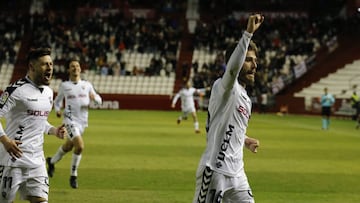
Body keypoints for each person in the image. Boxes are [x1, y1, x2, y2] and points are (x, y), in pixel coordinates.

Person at [192, 14, 263, 203]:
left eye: (255, 60)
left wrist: (245, 140)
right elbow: (232, 70)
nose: (254, 65)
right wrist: (247, 34)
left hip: (237, 174)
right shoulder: (224, 88)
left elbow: (232, 128)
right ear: (237, 61)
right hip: (214, 171)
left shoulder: (245, 98)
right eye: (248, 60)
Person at [0, 48, 66, 203]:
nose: (50, 68)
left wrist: (53, 130)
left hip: (37, 162)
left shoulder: (49, 93)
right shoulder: (15, 90)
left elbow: (38, 121)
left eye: (51, 64)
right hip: (12, 162)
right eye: (44, 64)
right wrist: (5, 141)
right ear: (32, 67)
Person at [46, 58, 102, 189]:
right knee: (80, 146)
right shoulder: (65, 86)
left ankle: (52, 161)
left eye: (77, 66)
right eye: (72, 66)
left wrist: (95, 99)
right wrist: (58, 110)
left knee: (69, 146)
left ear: (80, 69)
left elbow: (99, 99)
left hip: (83, 122)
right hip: (69, 120)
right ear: (68, 70)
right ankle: (73, 175)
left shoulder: (87, 85)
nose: (75, 68)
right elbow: (58, 101)